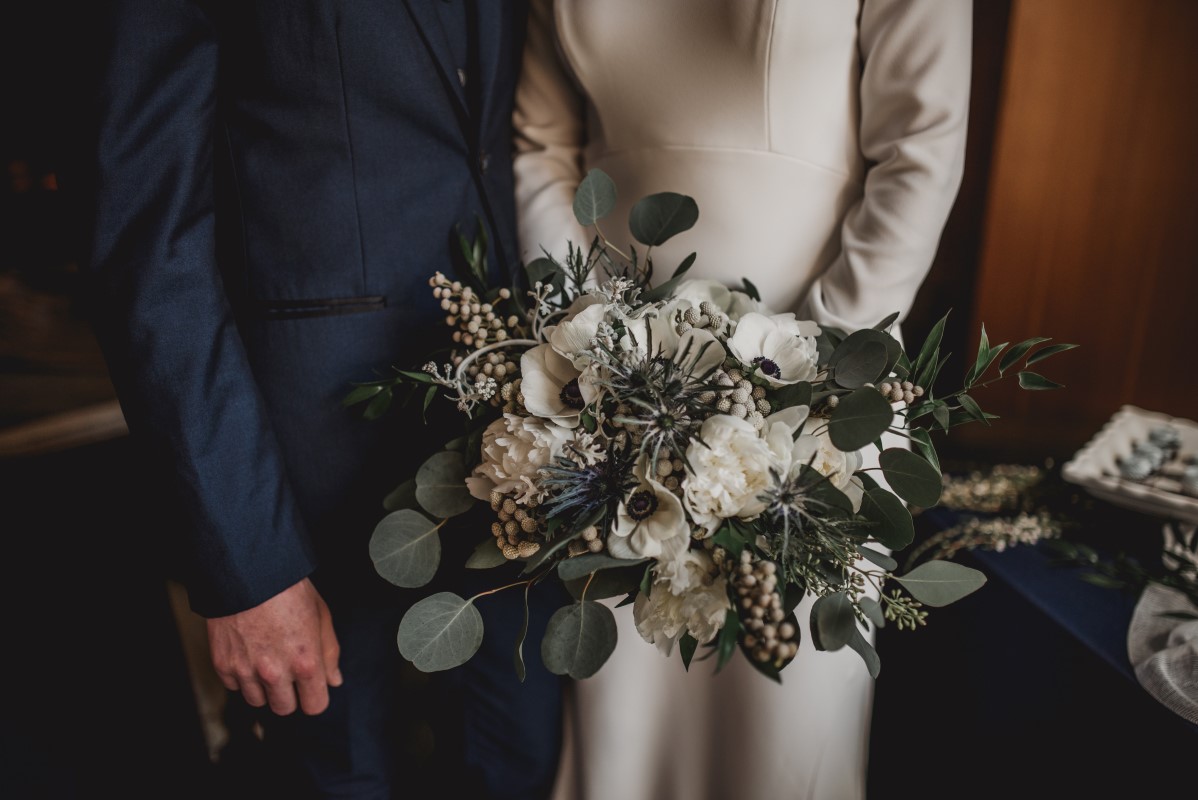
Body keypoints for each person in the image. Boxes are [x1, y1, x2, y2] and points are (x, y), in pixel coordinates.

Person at [64, 2, 564, 798]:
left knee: (519, 763)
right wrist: (246, 563)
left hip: (509, 466)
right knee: (340, 777)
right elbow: (148, 245)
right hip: (305, 486)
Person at [512, 1, 971, 798]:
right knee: (626, 725)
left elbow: (920, 150)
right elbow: (541, 149)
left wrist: (817, 361)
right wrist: (596, 343)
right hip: (619, 413)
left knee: (788, 724)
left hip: (818, 401)